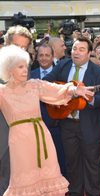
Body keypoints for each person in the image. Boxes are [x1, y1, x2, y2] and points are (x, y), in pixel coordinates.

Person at [0, 44, 93, 196]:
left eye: (26, 66)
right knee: (26, 185)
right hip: (19, 142)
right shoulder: (2, 92)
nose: (25, 70)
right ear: (9, 69)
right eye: (20, 67)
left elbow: (58, 90)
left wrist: (75, 89)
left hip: (42, 136)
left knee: (52, 181)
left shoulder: (35, 85)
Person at [44, 36, 100, 196]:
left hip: (89, 124)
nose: (76, 52)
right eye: (74, 49)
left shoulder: (97, 72)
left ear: (89, 53)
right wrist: (62, 94)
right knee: (72, 162)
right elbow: (47, 82)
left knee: (92, 163)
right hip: (67, 123)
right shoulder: (63, 66)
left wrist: (91, 97)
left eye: (81, 50)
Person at [0, 25, 44, 196]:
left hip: (27, 132)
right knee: (8, 173)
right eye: (17, 46)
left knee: (29, 171)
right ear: (6, 44)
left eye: (25, 48)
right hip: (5, 130)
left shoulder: (26, 68)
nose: (21, 51)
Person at [31, 43, 66, 176]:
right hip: (37, 126)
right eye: (41, 55)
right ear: (37, 57)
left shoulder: (62, 74)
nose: (44, 58)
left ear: (53, 57)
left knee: (60, 158)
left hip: (58, 125)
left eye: (47, 55)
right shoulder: (29, 75)